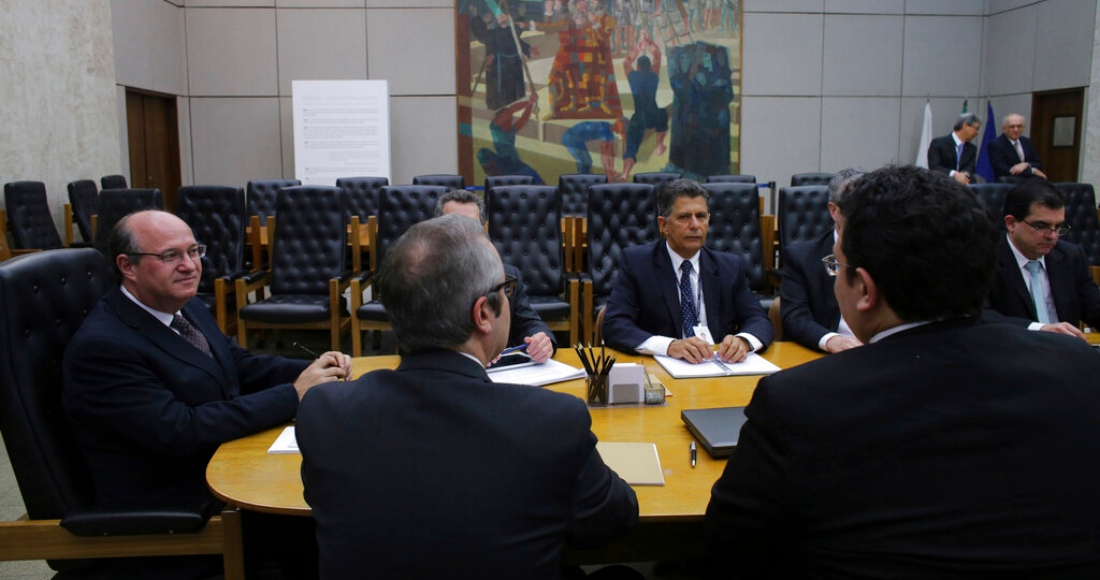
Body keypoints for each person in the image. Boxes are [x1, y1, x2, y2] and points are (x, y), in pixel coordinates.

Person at [705, 165, 1100, 577]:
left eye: (836, 267)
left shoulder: (796, 403)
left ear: (865, 290)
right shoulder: (1085, 370)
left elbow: (732, 549)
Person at [297, 214, 638, 579]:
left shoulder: (324, 410)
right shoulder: (554, 422)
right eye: (505, 289)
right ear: (483, 314)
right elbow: (612, 520)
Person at [63, 210, 351, 578]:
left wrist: (315, 369)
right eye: (171, 256)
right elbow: (182, 430)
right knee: (333, 517)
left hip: (217, 467)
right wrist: (294, 394)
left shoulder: (185, 306)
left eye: (194, 251)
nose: (189, 266)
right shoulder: (104, 347)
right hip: (176, 506)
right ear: (128, 266)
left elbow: (237, 363)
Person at [602, 179, 773, 363]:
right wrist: (669, 346)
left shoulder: (730, 267)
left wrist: (744, 340)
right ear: (663, 225)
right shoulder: (638, 263)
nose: (695, 225)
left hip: (717, 367)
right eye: (684, 217)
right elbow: (615, 325)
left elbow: (758, 319)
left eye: (701, 216)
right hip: (662, 369)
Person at [435, 188, 556, 362]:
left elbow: (527, 322)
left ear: (483, 229)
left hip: (502, 374)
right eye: (454, 225)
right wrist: (478, 351)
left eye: (471, 226)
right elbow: (415, 342)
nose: (464, 233)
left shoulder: (507, 274)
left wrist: (541, 340)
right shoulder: (423, 277)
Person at [986, 178, 1100, 339]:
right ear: (1011, 223)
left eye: (1058, 226)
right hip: (1010, 355)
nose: (1052, 236)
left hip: (1064, 355)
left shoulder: (1071, 256)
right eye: (1041, 226)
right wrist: (1040, 329)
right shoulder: (983, 260)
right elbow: (981, 317)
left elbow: (1094, 307)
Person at [779, 167, 864, 353]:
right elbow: (795, 317)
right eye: (856, 209)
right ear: (834, 211)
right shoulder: (801, 257)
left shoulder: (892, 251)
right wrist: (832, 341)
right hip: (830, 354)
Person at [988, 113, 1047, 181]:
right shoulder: (996, 145)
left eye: (1019, 126)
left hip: (1029, 184)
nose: (1016, 129)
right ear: (1004, 128)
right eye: (1012, 126)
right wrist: (1032, 171)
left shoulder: (1026, 142)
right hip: (1008, 186)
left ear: (1024, 128)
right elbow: (1002, 170)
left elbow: (1038, 164)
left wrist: (1026, 164)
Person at [927, 112, 980, 184]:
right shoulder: (938, 143)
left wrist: (963, 176)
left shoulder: (972, 149)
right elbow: (934, 166)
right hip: (941, 185)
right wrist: (954, 174)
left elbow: (970, 168)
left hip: (963, 186)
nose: (977, 132)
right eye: (976, 128)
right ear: (966, 126)